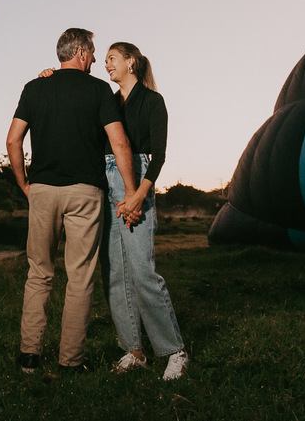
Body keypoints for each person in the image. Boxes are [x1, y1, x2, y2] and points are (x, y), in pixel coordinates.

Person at [6, 28, 138, 375]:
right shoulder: (99, 90)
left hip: (43, 191)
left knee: (39, 274)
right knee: (79, 278)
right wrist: (131, 192)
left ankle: (29, 357)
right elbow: (120, 142)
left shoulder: (34, 87)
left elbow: (13, 140)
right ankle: (70, 362)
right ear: (80, 52)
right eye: (93, 52)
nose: (95, 58)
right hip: (85, 193)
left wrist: (25, 184)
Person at [101, 42, 189, 381]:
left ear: (131, 62)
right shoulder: (107, 102)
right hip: (105, 180)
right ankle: (133, 350)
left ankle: (173, 351)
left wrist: (138, 195)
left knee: (141, 271)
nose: (106, 65)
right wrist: (50, 76)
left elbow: (159, 154)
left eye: (112, 59)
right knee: (115, 273)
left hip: (138, 177)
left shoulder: (153, 101)